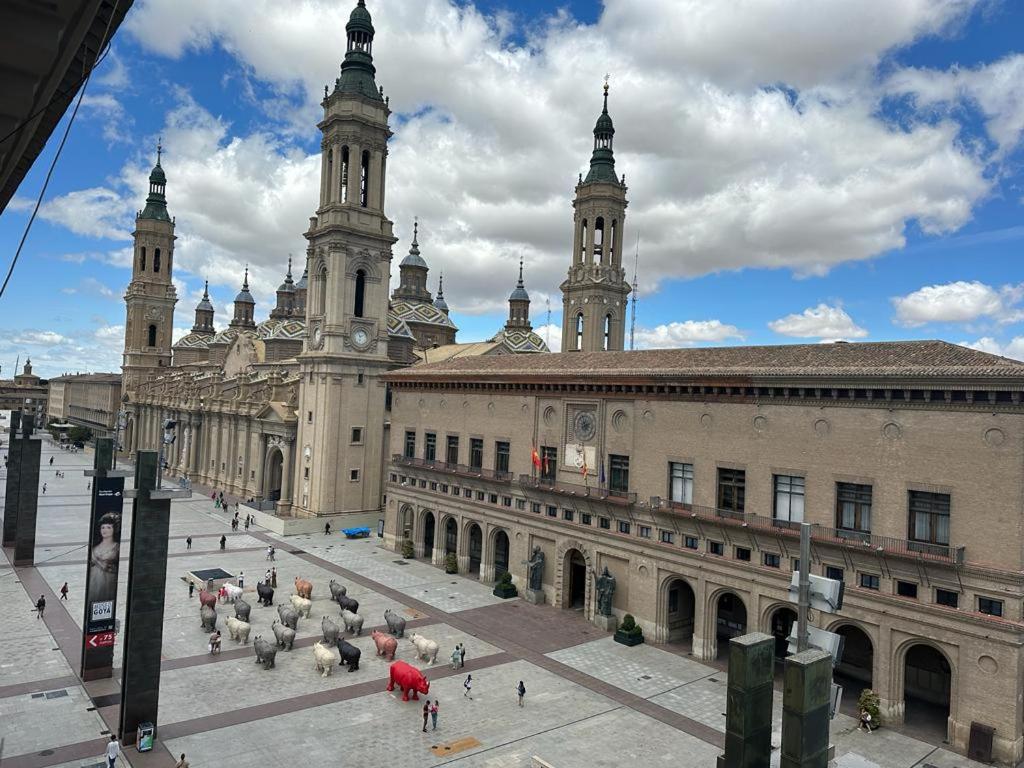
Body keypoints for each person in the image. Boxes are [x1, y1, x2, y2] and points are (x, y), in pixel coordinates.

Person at [88, 512, 120, 609]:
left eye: (109, 527)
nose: (105, 530)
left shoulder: (116, 548)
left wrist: (98, 562)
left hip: (108, 584)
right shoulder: (95, 548)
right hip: (94, 584)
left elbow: (113, 568)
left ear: (114, 529)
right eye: (103, 527)